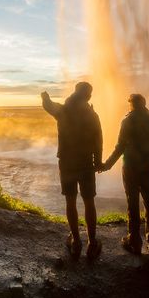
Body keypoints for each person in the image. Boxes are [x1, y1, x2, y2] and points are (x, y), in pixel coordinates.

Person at [41, 82, 103, 259]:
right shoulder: (92, 115)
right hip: (86, 164)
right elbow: (98, 140)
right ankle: (92, 243)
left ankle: (76, 241)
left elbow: (48, 106)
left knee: (70, 201)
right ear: (89, 96)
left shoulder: (63, 111)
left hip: (67, 163)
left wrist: (45, 97)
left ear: (75, 92)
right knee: (89, 202)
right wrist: (98, 162)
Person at [100, 93, 149, 255]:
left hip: (131, 167)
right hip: (148, 169)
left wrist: (107, 165)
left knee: (132, 202)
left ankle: (134, 241)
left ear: (132, 105)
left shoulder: (128, 120)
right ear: (144, 104)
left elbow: (120, 146)